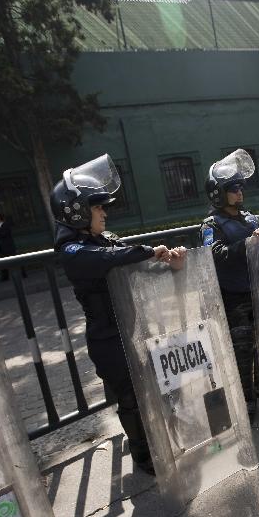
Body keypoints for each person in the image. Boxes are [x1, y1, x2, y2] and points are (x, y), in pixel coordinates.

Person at [52, 153, 186, 476]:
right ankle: (144, 456)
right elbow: (105, 260)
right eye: (97, 207)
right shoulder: (71, 248)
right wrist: (146, 251)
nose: (104, 213)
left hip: (133, 330)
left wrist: (169, 261)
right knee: (130, 398)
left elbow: (135, 265)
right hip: (107, 338)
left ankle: (163, 438)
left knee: (157, 386)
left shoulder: (104, 240)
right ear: (77, 210)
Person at [200, 149, 259, 416]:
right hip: (233, 298)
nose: (240, 192)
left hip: (256, 291)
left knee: (257, 344)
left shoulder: (250, 218)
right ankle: (245, 405)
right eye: (233, 188)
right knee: (240, 352)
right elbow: (214, 254)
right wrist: (247, 242)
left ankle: (257, 388)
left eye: (241, 187)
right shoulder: (211, 225)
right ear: (218, 193)